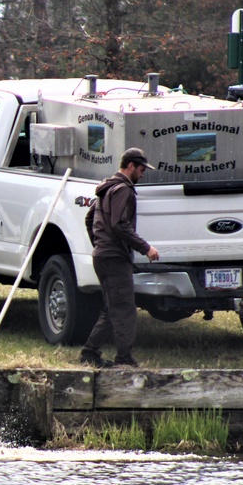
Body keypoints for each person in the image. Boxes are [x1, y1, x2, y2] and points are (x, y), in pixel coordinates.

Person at [80, 147, 160, 368]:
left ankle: (89, 352)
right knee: (125, 310)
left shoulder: (107, 188)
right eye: (142, 169)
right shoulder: (123, 189)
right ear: (131, 166)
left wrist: (99, 244)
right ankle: (124, 359)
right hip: (114, 258)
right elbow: (118, 224)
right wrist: (145, 247)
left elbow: (89, 219)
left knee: (112, 308)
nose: (143, 174)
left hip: (103, 256)